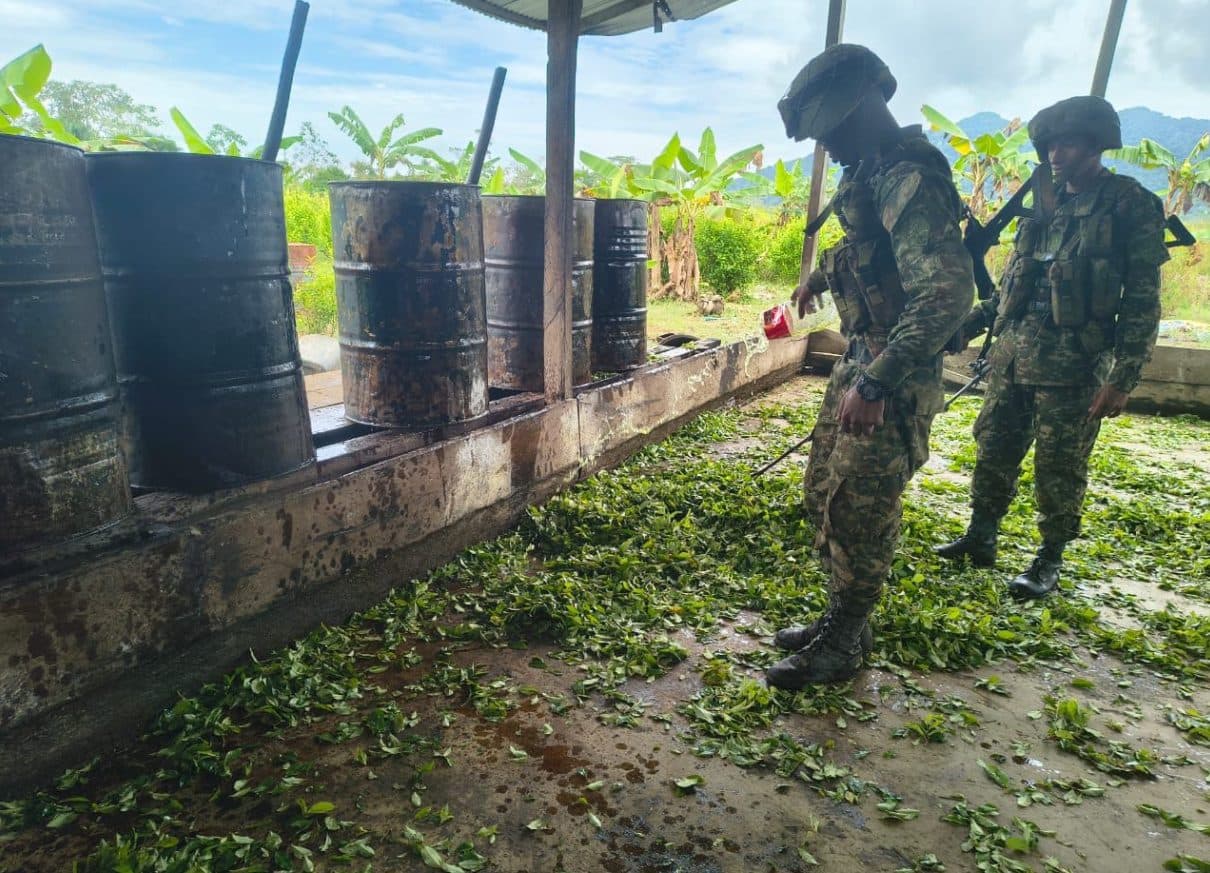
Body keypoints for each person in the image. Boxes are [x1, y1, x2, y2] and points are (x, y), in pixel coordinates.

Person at [766, 44, 973, 689]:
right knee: (824, 494)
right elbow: (871, 255)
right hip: (860, 360)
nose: (827, 142)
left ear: (863, 106)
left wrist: (879, 382)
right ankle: (841, 620)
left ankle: (845, 644)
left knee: (861, 509)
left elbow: (945, 295)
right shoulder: (870, 170)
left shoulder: (911, 178)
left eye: (830, 128)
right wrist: (820, 281)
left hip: (892, 370)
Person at [935, 96, 1168, 599]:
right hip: (1012, 357)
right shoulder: (1043, 201)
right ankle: (981, 536)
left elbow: (1143, 301)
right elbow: (1012, 288)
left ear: (1096, 145)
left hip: (1075, 366)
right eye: (1050, 145)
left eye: (1069, 143)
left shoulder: (1129, 204)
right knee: (993, 448)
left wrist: (1122, 378)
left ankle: (1049, 559)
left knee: (1059, 467)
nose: (1056, 154)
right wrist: (967, 327)